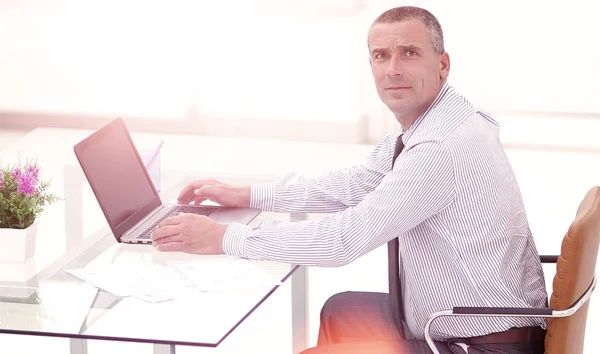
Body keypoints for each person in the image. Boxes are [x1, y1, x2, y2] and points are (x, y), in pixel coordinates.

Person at [151, 6, 548, 354]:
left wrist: (223, 238)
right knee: (340, 309)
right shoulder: (437, 119)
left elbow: (342, 241)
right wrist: (250, 195)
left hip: (482, 344)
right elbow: (358, 183)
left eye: (409, 53)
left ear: (442, 63)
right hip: (470, 319)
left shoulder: (439, 147)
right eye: (380, 55)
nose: (392, 68)